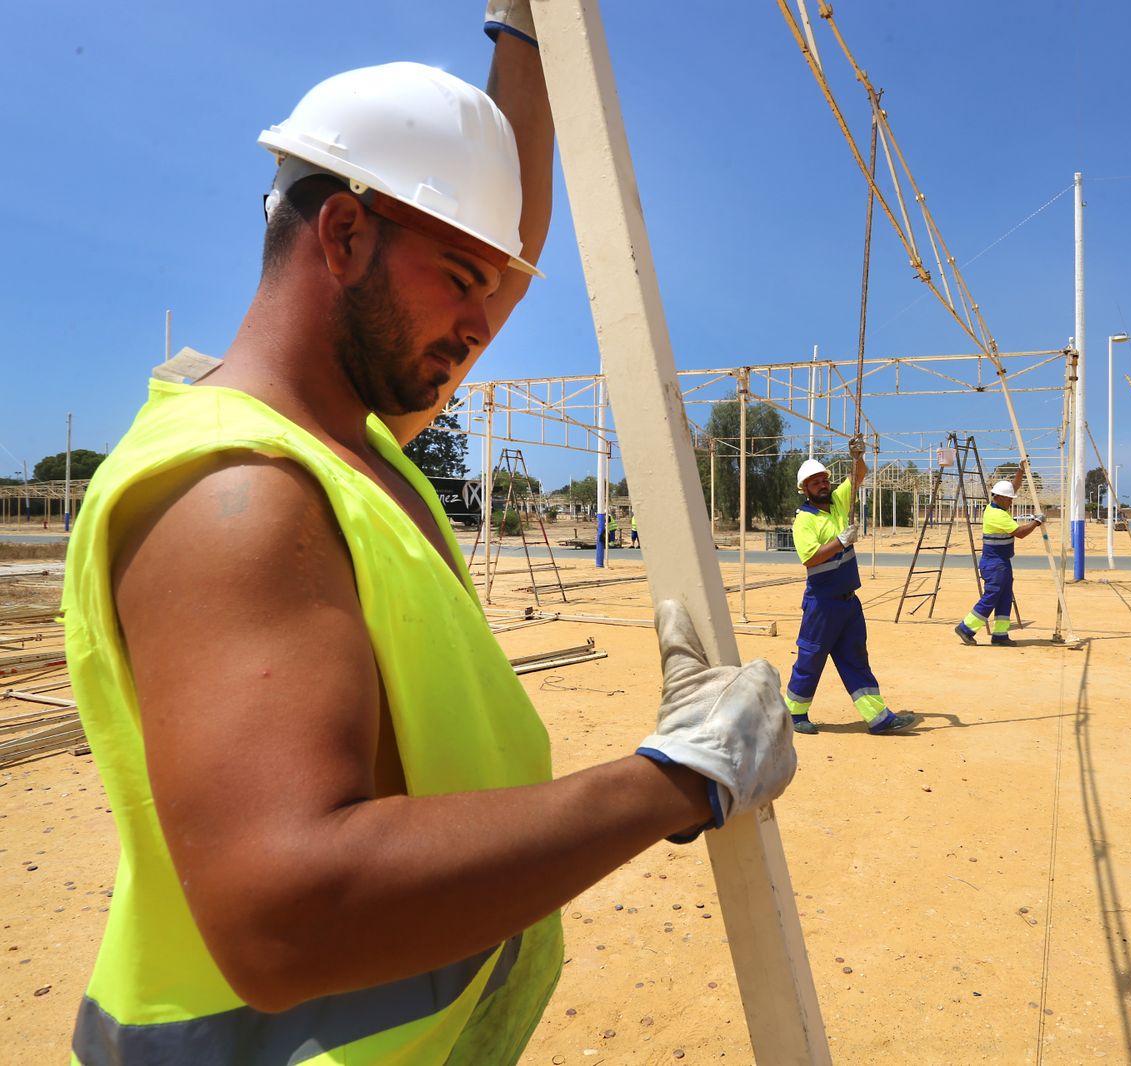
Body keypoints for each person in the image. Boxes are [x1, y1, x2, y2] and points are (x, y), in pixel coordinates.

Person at [59, 7, 796, 1063]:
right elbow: (288, 914)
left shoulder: (353, 442)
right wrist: (678, 777)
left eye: (491, 294)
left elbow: (497, 243)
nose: (481, 323)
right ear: (346, 236)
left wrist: (528, 35)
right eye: (460, 282)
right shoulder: (238, 497)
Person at [783, 437, 916, 736]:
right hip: (822, 602)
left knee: (856, 657)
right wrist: (840, 541)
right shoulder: (804, 521)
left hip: (848, 602)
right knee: (811, 657)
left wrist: (857, 455)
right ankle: (793, 713)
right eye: (814, 482)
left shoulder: (839, 502)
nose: (821, 484)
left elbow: (858, 476)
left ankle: (879, 718)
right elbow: (810, 558)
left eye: (823, 479)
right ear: (804, 489)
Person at [954, 465, 1044, 646]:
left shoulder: (998, 507)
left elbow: (1013, 487)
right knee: (993, 595)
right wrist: (1036, 522)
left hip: (1002, 562)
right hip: (994, 563)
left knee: (1005, 596)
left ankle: (1000, 635)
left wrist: (1020, 471)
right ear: (1001, 498)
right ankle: (966, 628)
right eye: (1009, 499)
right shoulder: (996, 515)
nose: (1012, 501)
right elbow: (1020, 532)